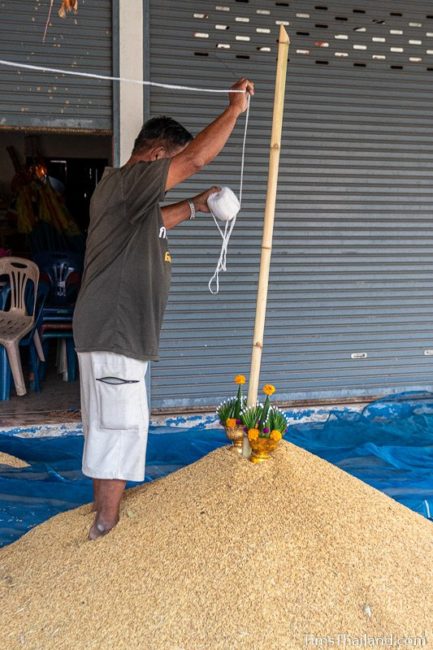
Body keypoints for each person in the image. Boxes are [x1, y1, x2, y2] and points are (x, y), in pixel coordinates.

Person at [72, 77, 254, 540]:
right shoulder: (127, 181)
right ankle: (105, 526)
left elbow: (160, 217)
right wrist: (234, 109)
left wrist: (197, 204)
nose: (175, 172)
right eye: (169, 165)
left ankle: (104, 514)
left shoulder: (125, 197)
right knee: (119, 426)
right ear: (155, 157)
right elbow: (196, 158)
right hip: (115, 331)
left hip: (113, 331)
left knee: (112, 422)